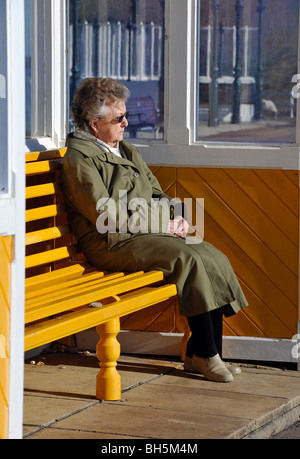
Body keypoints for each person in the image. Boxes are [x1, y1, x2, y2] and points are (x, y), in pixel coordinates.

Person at [61, 77, 248, 383]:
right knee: (189, 259)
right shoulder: (79, 158)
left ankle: (203, 352)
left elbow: (157, 194)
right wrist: (162, 223)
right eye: (119, 117)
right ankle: (205, 354)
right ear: (94, 123)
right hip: (110, 242)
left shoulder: (125, 150)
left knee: (210, 254)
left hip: (141, 234)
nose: (126, 122)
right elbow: (104, 213)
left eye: (126, 115)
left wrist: (178, 216)